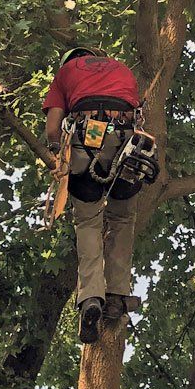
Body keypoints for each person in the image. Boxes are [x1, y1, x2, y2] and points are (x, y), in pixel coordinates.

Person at [43, 46, 152, 343]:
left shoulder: (66, 73)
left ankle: (91, 297)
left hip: (86, 140)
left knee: (88, 221)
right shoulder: (121, 68)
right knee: (122, 219)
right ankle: (117, 295)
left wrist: (58, 155)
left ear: (70, 61)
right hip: (127, 144)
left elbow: (53, 129)